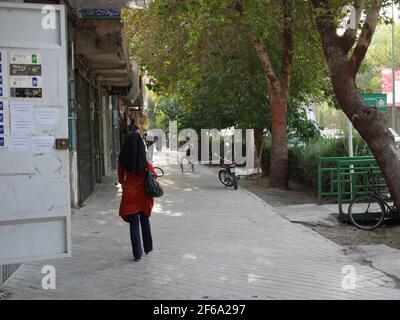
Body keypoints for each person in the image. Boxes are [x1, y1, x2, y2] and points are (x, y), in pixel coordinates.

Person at [118, 132, 157, 261]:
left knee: (134, 224)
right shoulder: (144, 158)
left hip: (129, 194)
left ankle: (137, 253)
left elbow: (120, 179)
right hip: (143, 194)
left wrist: (126, 183)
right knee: (144, 220)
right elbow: (153, 174)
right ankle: (148, 248)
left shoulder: (122, 158)